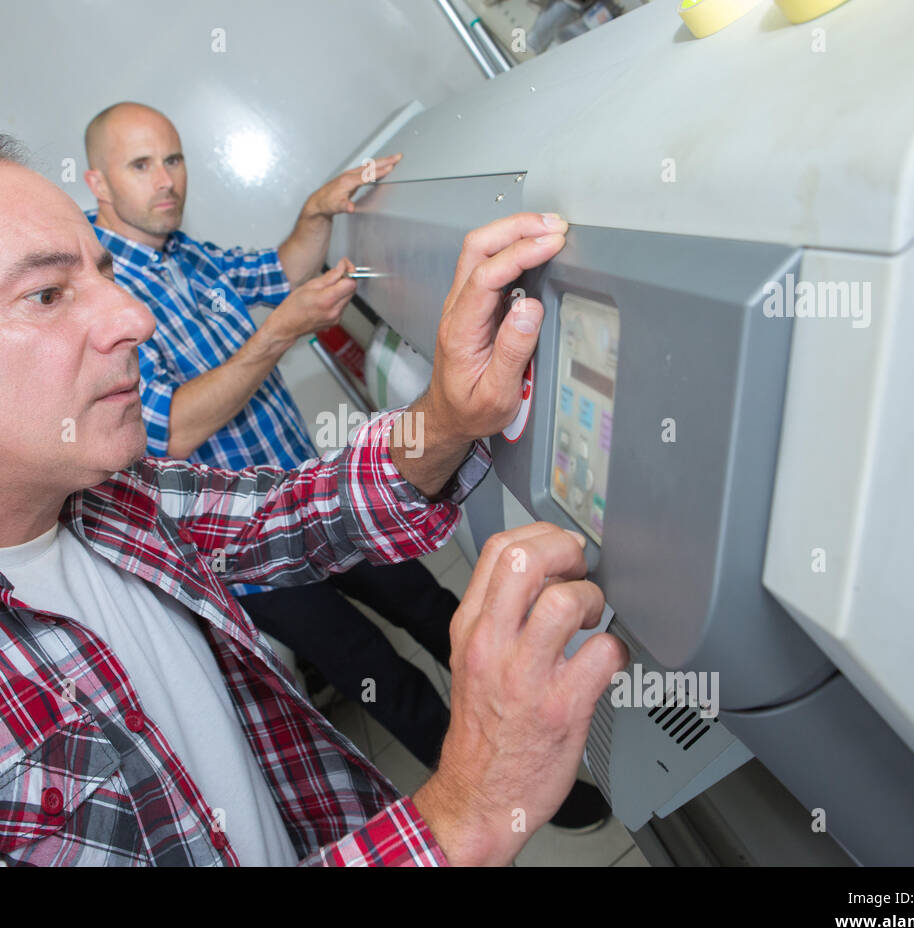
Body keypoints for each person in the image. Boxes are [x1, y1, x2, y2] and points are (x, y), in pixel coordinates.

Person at [0, 135, 626, 866]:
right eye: (46, 293)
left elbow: (294, 516)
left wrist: (449, 412)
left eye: (103, 275)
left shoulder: (78, 485)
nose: (132, 320)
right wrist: (459, 818)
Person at [81, 103, 610, 829]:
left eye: (174, 160)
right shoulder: (105, 294)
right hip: (249, 554)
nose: (167, 181)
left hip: (316, 495)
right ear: (96, 181)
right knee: (376, 676)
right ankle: (506, 797)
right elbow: (171, 428)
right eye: (142, 165)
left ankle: (555, 735)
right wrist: (280, 332)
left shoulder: (184, 253)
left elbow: (276, 269)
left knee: (434, 611)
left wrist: (314, 213)